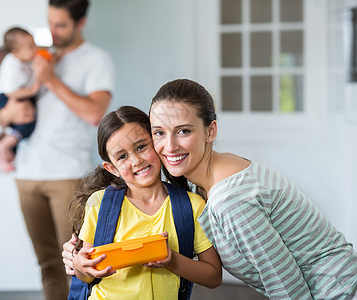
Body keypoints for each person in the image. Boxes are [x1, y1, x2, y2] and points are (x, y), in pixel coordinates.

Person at [64, 79, 357, 299]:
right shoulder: (211, 175)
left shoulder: (229, 200)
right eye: (159, 133)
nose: (169, 146)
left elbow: (287, 286)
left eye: (184, 131)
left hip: (336, 290)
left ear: (211, 131)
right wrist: (77, 255)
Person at [0, 0, 115, 299]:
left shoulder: (96, 59)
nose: (53, 31)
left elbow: (94, 114)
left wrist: (51, 80)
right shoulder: (29, 55)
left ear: (80, 23)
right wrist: (10, 114)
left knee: (78, 264)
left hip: (67, 175)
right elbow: (2, 113)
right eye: (50, 23)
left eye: (61, 25)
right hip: (27, 173)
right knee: (47, 264)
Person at [69, 106, 222, 299]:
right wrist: (80, 266)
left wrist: (171, 259)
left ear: (157, 143)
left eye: (141, 147)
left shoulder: (192, 206)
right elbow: (86, 276)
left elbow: (213, 276)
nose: (136, 160)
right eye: (122, 156)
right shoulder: (99, 204)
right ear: (112, 168)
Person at [0, 27, 41, 172]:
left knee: (21, 127)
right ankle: (5, 146)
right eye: (31, 47)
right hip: (9, 96)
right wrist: (32, 90)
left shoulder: (24, 59)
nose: (36, 49)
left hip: (20, 94)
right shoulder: (11, 65)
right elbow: (11, 92)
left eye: (35, 44)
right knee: (26, 125)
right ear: (16, 53)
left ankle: (3, 155)